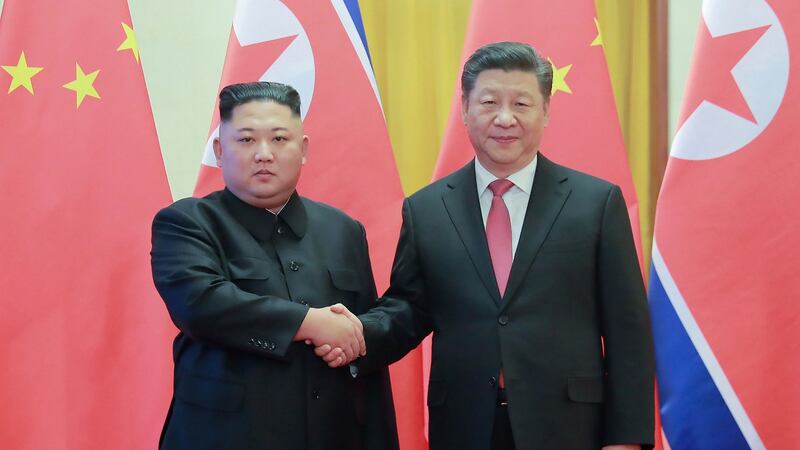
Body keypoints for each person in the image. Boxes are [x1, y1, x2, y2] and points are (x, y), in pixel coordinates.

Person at [324, 41, 655, 450]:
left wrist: (626, 440)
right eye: (489, 101)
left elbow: (628, 333)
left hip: (569, 427)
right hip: (464, 424)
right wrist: (356, 332)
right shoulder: (427, 209)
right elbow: (409, 308)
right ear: (464, 108)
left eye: (521, 103)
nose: (504, 118)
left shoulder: (595, 203)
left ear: (546, 111)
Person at [150, 81, 398, 450]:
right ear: (219, 150)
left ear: (303, 149)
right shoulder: (187, 222)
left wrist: (351, 338)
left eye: (280, 139)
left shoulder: (343, 229)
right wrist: (311, 323)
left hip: (335, 434)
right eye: (246, 140)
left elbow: (357, 336)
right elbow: (201, 305)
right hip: (223, 437)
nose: (264, 154)